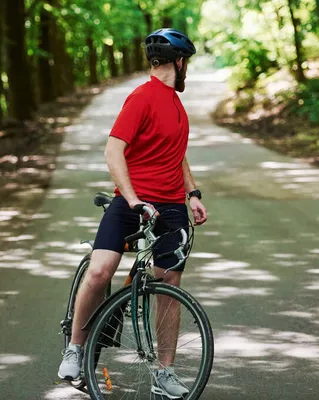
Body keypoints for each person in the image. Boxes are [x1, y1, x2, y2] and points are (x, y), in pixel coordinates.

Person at [58, 28, 208, 399]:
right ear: (180, 62)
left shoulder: (175, 104)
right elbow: (113, 152)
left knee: (169, 287)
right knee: (100, 268)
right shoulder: (141, 98)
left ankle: (164, 373)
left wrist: (192, 193)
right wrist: (133, 198)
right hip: (132, 202)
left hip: (172, 207)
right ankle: (75, 348)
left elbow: (176, 153)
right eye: (184, 62)